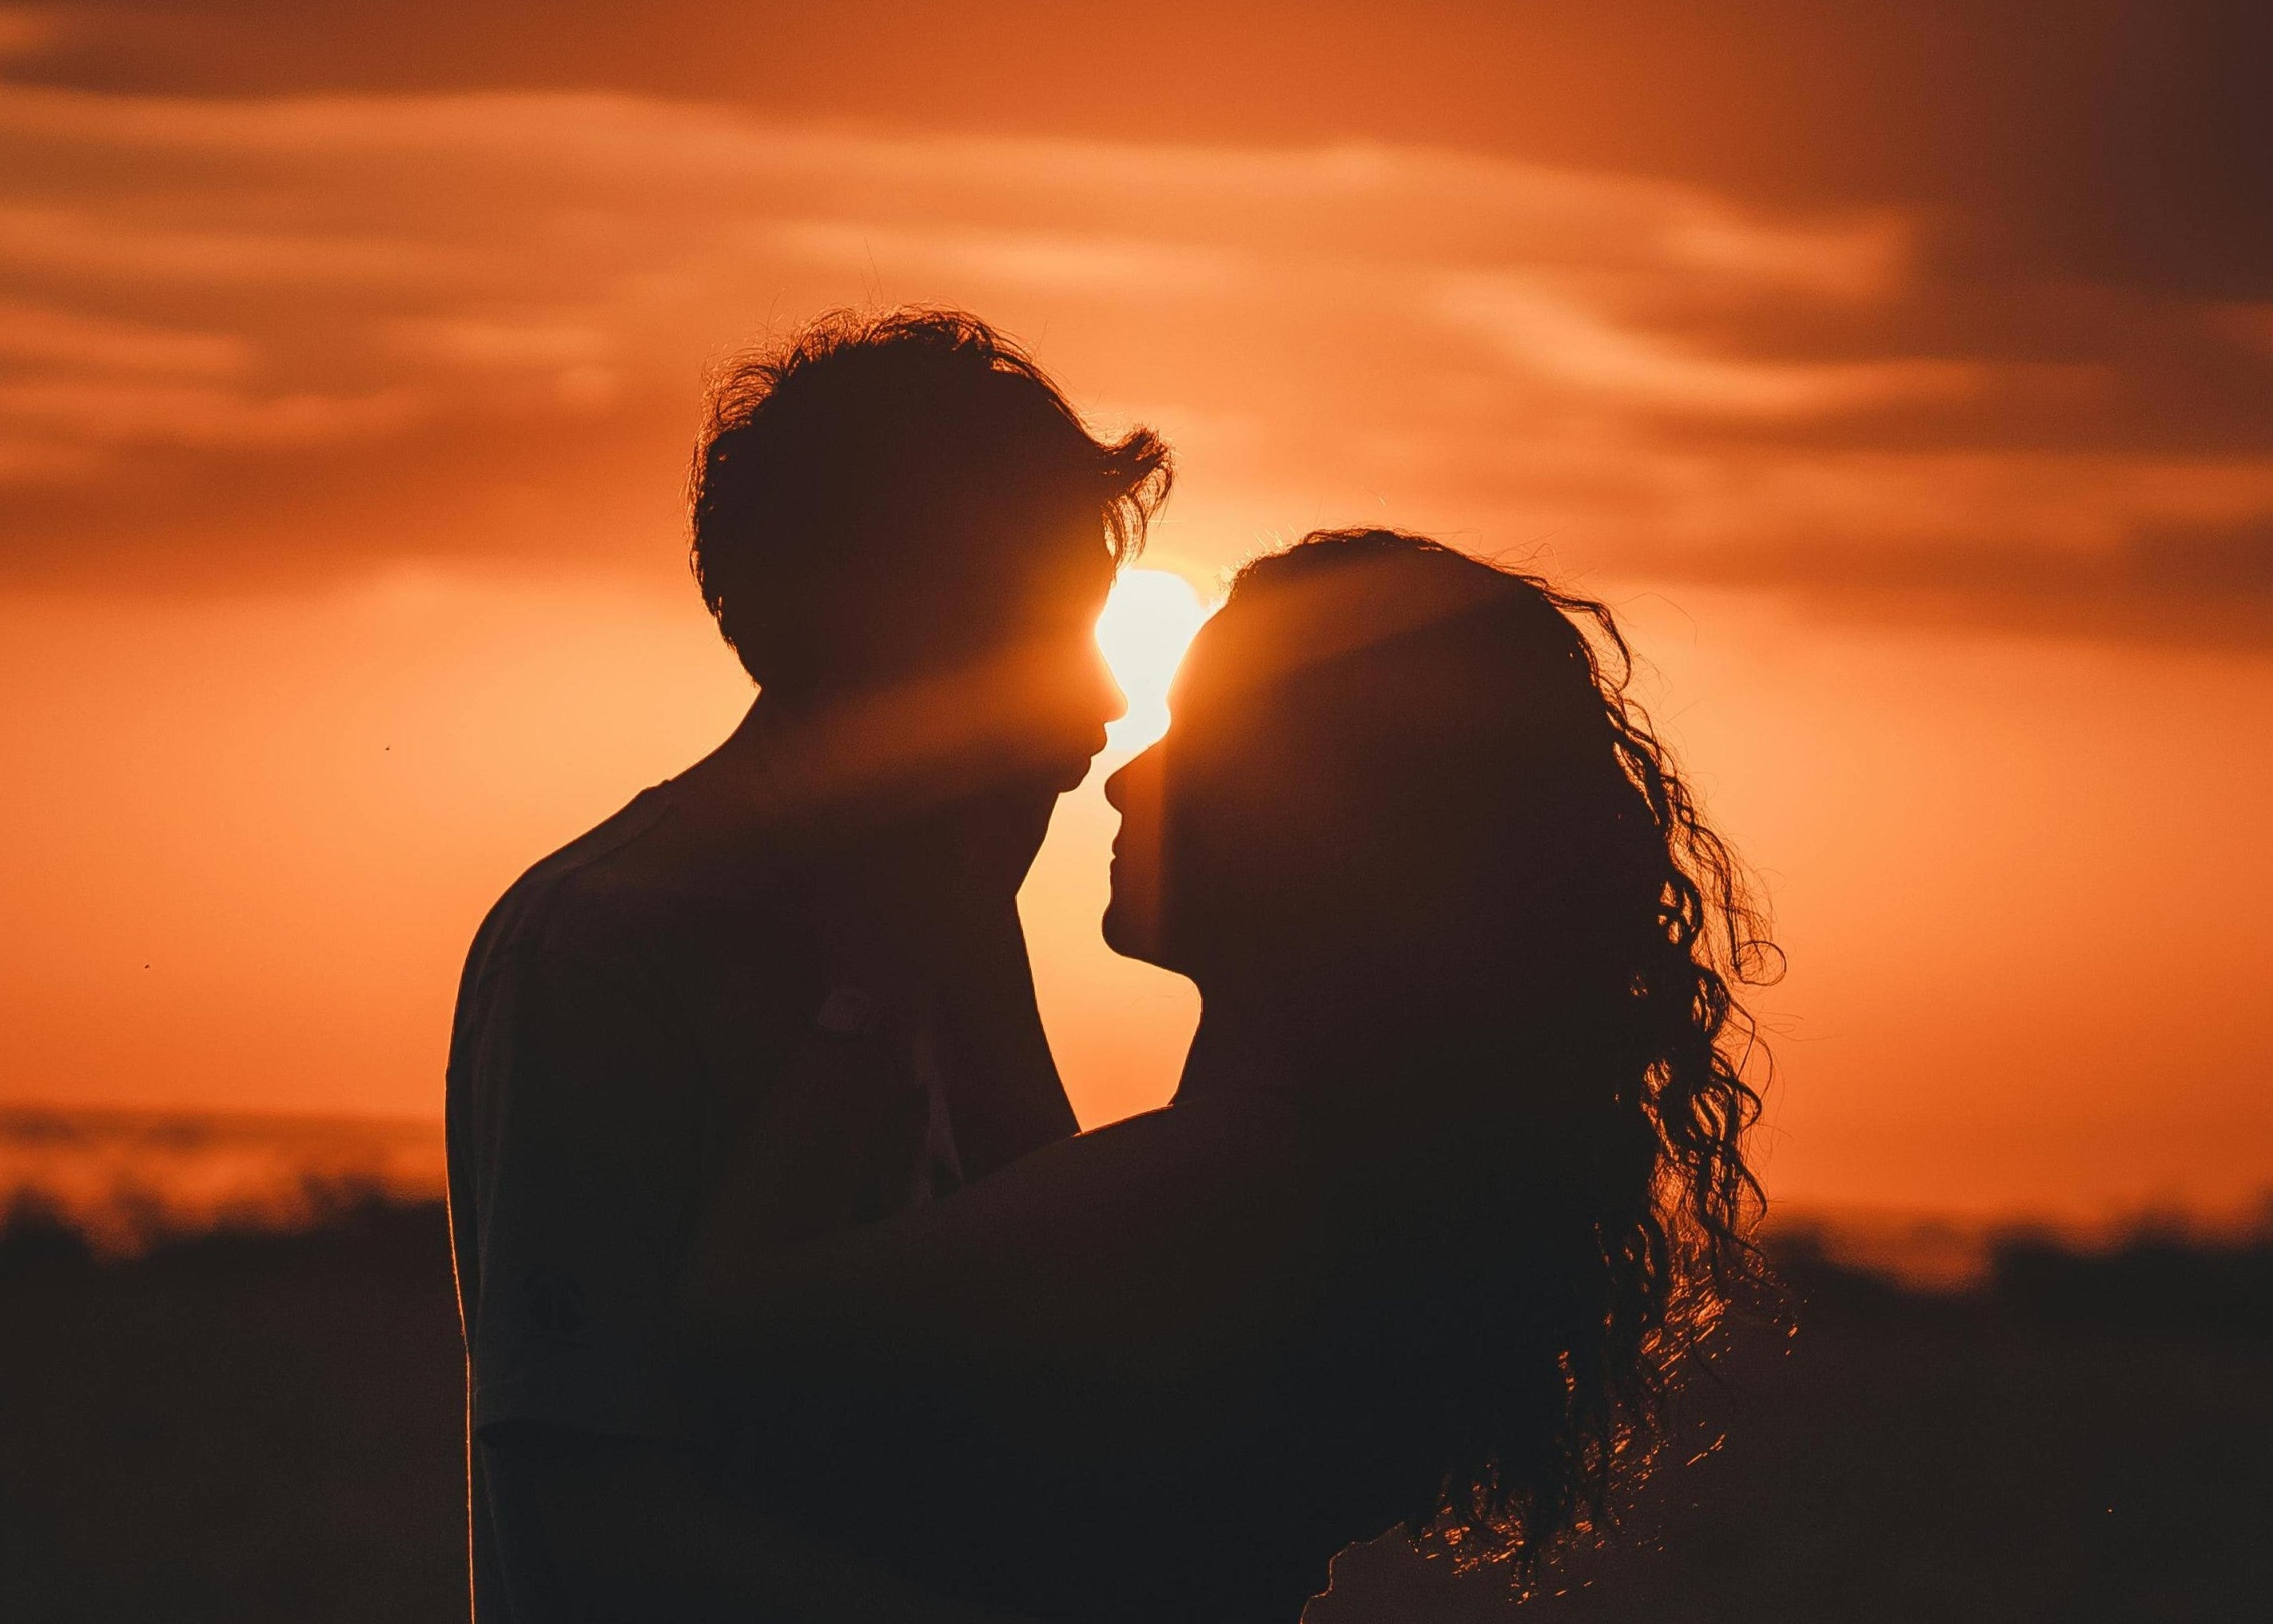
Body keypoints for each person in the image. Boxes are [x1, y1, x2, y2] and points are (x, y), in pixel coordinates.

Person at [679, 528, 1778, 1622]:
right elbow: (1039, 1180)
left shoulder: (1221, 1180)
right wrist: (962, 885)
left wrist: (858, 1003)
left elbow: (731, 1320)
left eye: (1188, 738)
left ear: (1303, 819)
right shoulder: (1303, 1170)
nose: (1121, 777)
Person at [443, 308, 1171, 1622]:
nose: (1108, 697)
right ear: (888, 620)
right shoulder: (603, 948)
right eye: (1048, 622)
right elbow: (585, 1508)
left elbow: (1051, 1332)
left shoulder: (950, 911)